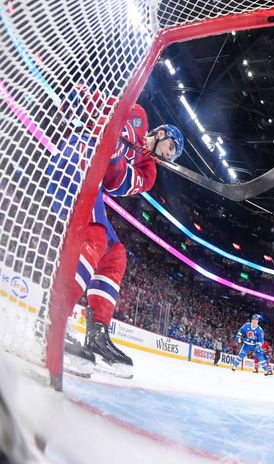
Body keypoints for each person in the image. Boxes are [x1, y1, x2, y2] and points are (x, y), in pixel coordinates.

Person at [50, 85, 184, 379]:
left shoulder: (148, 172)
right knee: (95, 236)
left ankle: (97, 334)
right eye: (171, 147)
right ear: (162, 134)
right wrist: (76, 96)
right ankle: (52, 320)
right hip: (78, 160)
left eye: (173, 156)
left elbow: (116, 183)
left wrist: (119, 153)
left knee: (114, 253)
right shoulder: (137, 115)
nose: (169, 155)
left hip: (95, 182)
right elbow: (94, 101)